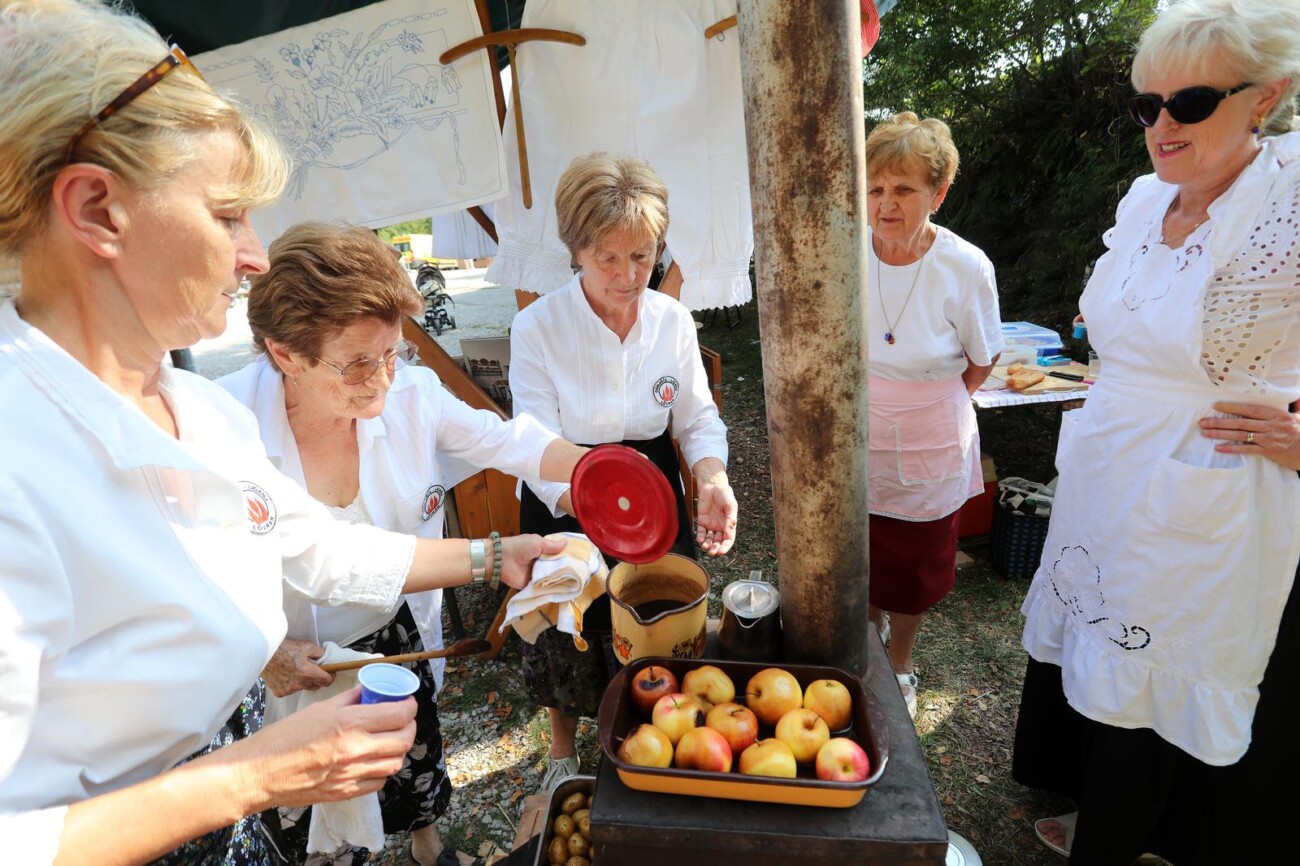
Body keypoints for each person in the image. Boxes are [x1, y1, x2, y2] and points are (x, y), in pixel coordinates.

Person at [0, 3, 565, 864]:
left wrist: (502, 556)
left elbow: (321, 552)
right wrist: (251, 776)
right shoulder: (17, 464)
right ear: (96, 209)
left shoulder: (202, 414)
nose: (254, 254)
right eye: (227, 213)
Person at [1012, 0, 1300, 862]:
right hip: (1111, 466)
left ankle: (1134, 835)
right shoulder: (1146, 198)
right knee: (1095, 636)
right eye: (1148, 105)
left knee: (1161, 669)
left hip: (1214, 481)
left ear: (1264, 98)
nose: (1162, 125)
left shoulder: (1290, 202)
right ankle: (1093, 807)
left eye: (1192, 103)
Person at [218, 222, 588, 866]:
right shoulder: (225, 428)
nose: (383, 379)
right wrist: (264, 653)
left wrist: (597, 472)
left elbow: (512, 443)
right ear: (285, 354)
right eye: (358, 362)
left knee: (415, 755)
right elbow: (213, 573)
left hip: (397, 629)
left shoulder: (410, 396)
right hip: (296, 651)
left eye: (391, 353)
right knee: (315, 810)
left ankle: (427, 845)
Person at [508, 152, 738, 791]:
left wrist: (712, 478)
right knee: (564, 628)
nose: (628, 274)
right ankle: (562, 750)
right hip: (567, 488)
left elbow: (694, 418)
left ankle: (654, 731)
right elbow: (531, 440)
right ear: (575, 249)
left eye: (642, 257)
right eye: (608, 256)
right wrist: (594, 499)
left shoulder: (672, 322)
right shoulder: (537, 327)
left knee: (657, 625)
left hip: (654, 488)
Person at [863, 113, 1004, 719]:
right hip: (858, 424)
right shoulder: (844, 249)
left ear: (938, 193)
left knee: (915, 560)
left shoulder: (965, 266)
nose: (885, 203)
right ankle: (864, 651)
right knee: (860, 549)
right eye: (874, 188)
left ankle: (900, 662)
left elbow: (982, 359)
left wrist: (930, 402)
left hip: (930, 428)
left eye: (903, 189)